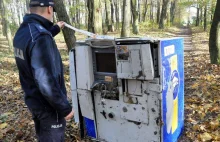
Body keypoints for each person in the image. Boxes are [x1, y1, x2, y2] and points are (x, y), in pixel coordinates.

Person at [13, 0, 74, 141]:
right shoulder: (41, 37)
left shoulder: (23, 31)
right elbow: (45, 80)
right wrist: (64, 108)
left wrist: (55, 29)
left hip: (34, 100)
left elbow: (34, 45)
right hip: (49, 106)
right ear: (49, 9)